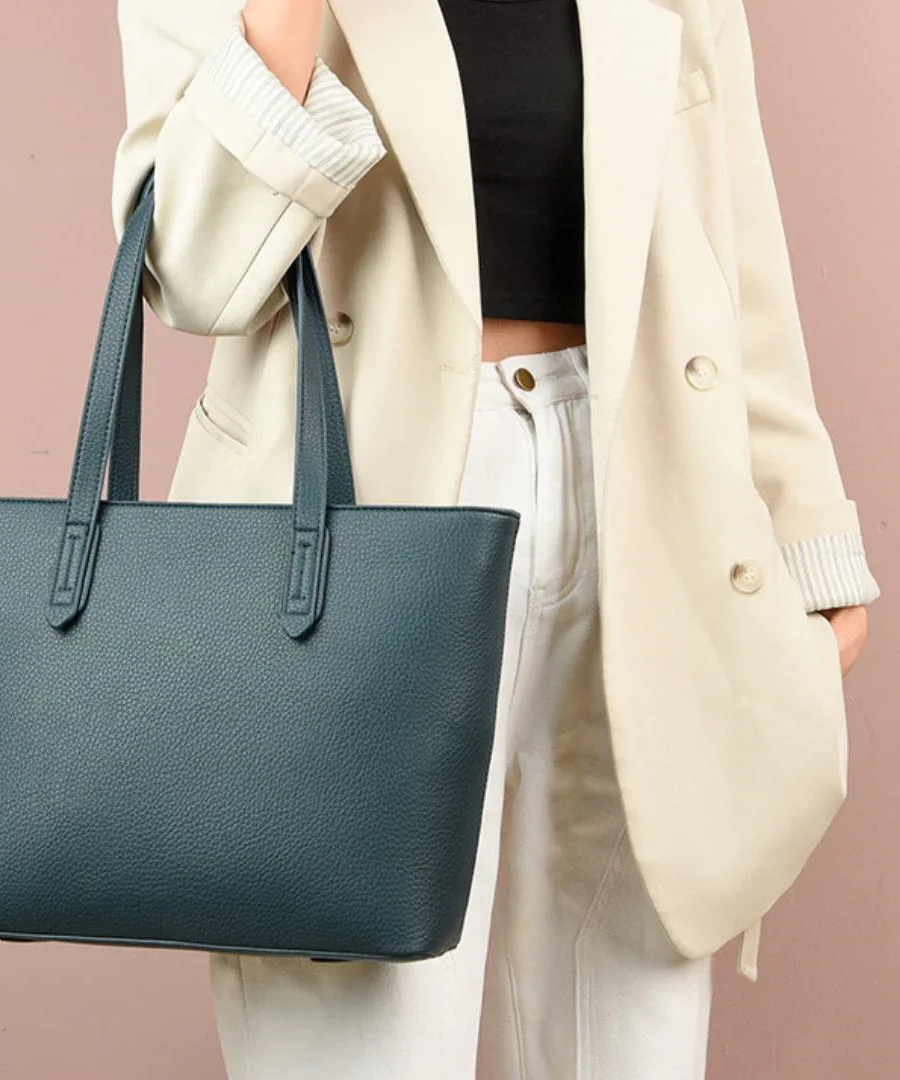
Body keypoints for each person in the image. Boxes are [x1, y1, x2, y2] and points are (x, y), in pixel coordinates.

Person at [110, 0, 883, 1075]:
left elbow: (731, 235)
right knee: (355, 1034)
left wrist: (808, 541)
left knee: (628, 1041)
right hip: (359, 533)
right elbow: (191, 273)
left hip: (653, 503)